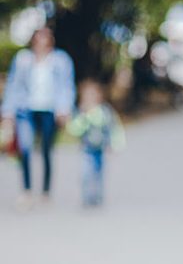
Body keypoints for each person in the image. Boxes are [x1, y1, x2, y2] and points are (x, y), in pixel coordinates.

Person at [0, 27, 76, 210]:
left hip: (50, 110)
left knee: (46, 150)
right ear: (33, 40)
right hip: (26, 110)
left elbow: (67, 85)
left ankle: (46, 190)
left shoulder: (61, 59)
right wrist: (7, 112)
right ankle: (26, 191)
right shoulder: (23, 59)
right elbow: (13, 85)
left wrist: (64, 109)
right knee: (25, 148)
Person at [67, 80, 125, 207]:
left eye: (92, 95)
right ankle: (86, 197)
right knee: (86, 174)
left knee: (99, 174)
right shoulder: (80, 112)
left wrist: (115, 144)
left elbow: (113, 127)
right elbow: (74, 130)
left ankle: (97, 196)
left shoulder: (105, 111)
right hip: (86, 149)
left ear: (99, 96)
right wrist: (84, 117)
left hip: (101, 149)